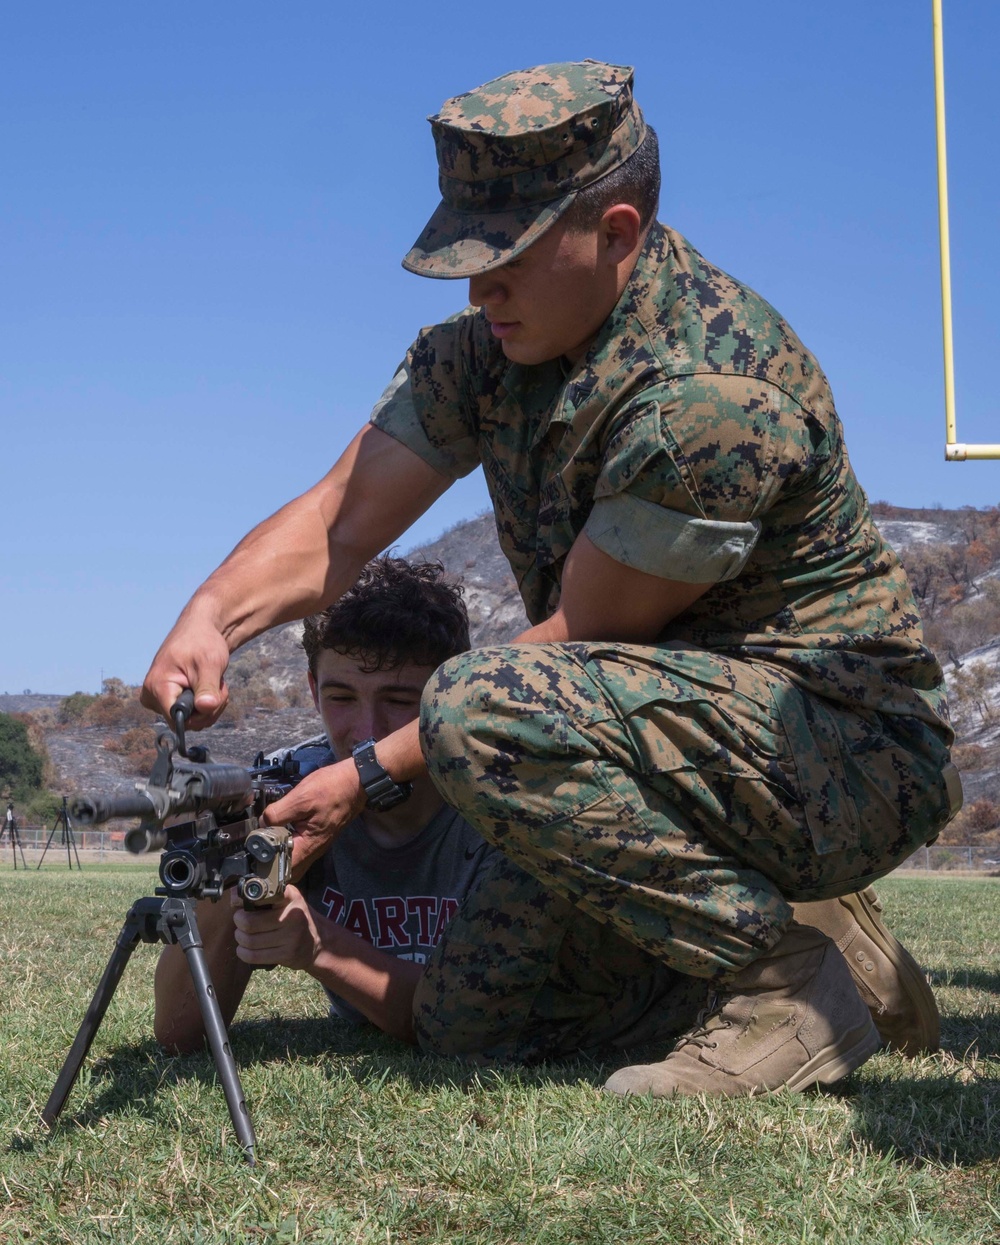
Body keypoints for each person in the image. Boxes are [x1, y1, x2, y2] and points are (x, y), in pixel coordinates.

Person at [144, 61, 959, 1094]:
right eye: (465, 256)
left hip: (841, 751)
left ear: (617, 231)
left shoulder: (708, 396)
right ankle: (834, 947)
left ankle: (781, 987)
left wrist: (359, 776)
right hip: (648, 737)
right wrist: (210, 617)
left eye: (510, 257)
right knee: (467, 1023)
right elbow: (335, 522)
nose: (480, 289)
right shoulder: (486, 353)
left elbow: (581, 633)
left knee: (477, 708)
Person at [154, 557, 497, 1049]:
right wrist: (227, 868)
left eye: (399, 701)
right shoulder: (284, 788)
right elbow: (177, 1033)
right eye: (341, 697)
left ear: (446, 703)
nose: (367, 733)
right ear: (313, 689)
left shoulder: (492, 799)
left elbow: (473, 1024)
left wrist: (321, 948)